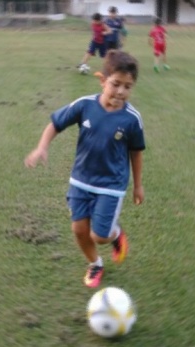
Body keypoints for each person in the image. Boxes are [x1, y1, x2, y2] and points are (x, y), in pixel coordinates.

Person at [25, 50, 145, 288]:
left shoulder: (132, 119)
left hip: (111, 185)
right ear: (102, 80)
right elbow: (55, 124)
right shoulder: (84, 105)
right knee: (80, 230)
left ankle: (115, 235)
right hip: (81, 180)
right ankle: (95, 264)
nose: (121, 92)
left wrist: (138, 186)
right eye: (115, 84)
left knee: (99, 235)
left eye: (128, 86)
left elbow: (136, 152)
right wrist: (41, 148)